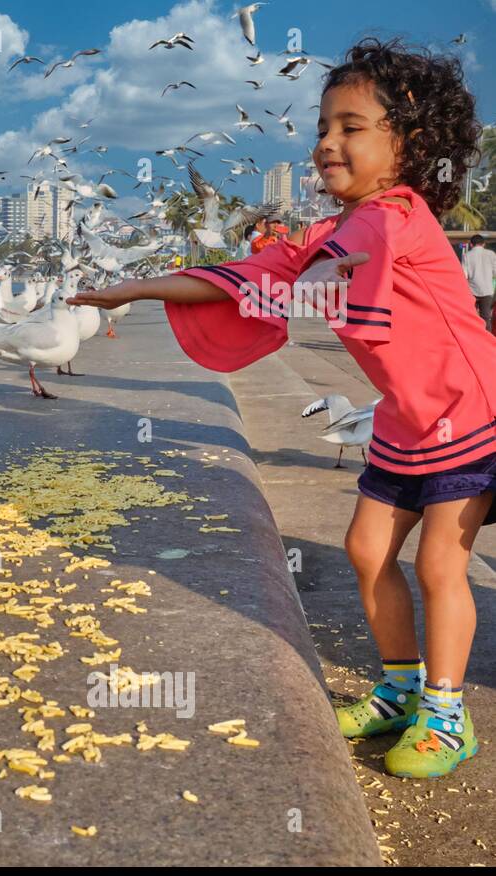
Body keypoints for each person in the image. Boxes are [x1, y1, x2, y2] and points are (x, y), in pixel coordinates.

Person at [70, 38, 488, 778]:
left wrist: (308, 277)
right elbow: (245, 277)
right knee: (365, 550)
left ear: (411, 142)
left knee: (439, 565)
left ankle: (448, 714)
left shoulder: (394, 217)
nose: (327, 144)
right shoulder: (339, 228)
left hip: (468, 413)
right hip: (403, 417)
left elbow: (340, 269)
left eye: (351, 128)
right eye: (323, 127)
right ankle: (398, 689)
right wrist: (132, 289)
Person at [462, 233, 496, 329]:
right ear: (484, 244)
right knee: (486, 318)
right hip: (487, 291)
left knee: (471, 318)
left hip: (472, 291)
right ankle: (487, 341)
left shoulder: (466, 256)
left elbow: (464, 275)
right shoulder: (491, 254)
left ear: (471, 244)